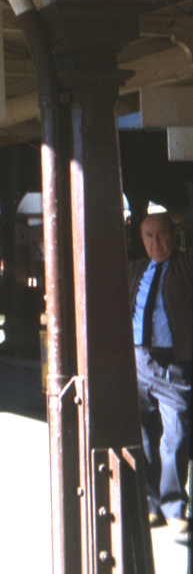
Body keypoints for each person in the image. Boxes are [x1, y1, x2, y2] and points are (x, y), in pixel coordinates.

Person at [129, 213, 193, 540]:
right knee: (143, 435)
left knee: (177, 433)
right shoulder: (137, 270)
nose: (156, 243)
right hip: (138, 359)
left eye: (163, 234)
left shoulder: (185, 267)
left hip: (174, 364)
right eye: (149, 236)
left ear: (174, 235)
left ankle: (173, 505)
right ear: (141, 239)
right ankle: (152, 504)